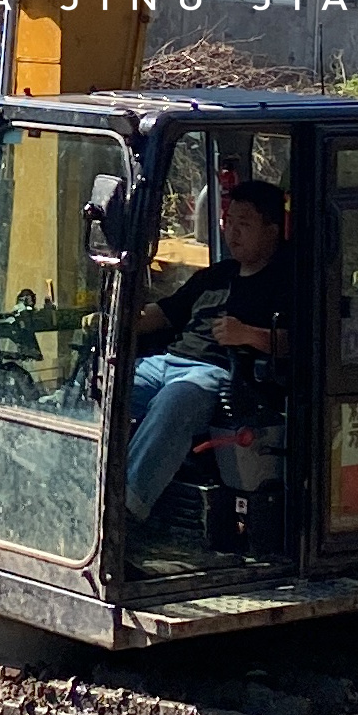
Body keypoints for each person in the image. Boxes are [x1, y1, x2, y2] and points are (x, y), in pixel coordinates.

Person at [125, 179, 294, 524]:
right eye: (229, 222)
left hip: (215, 374)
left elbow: (302, 342)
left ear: (272, 231)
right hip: (166, 362)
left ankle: (125, 506)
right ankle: (65, 476)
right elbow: (165, 313)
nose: (233, 232)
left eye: (244, 224)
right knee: (107, 384)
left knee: (177, 400)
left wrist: (248, 334)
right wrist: (116, 323)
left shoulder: (286, 282)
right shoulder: (216, 275)